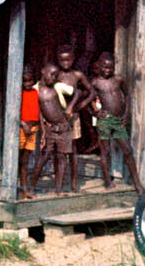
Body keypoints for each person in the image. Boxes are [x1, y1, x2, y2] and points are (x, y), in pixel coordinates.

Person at [90, 53, 143, 192]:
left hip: (118, 120)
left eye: (110, 68)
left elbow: (127, 94)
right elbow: (88, 98)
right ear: (99, 67)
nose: (108, 70)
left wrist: (126, 114)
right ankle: (107, 181)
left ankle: (137, 183)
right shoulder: (95, 82)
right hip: (105, 120)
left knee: (128, 150)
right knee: (105, 151)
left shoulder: (118, 80)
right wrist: (95, 112)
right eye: (105, 67)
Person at [30, 63, 77, 195]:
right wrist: (44, 131)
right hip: (50, 128)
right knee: (44, 157)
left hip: (64, 127)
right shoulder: (35, 90)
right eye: (51, 74)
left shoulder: (57, 87)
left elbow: (77, 92)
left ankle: (58, 189)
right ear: (42, 71)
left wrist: (70, 107)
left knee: (62, 158)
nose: (53, 78)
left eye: (56, 76)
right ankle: (31, 186)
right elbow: (39, 112)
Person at [55, 44, 96, 191]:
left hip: (73, 117)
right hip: (57, 117)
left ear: (73, 59)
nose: (65, 63)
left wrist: (81, 105)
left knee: (73, 150)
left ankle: (73, 182)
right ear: (58, 60)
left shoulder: (78, 75)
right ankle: (58, 183)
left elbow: (92, 92)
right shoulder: (56, 75)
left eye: (68, 60)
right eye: (62, 60)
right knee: (57, 150)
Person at [18, 66, 39, 199]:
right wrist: (23, 123)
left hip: (33, 129)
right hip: (22, 128)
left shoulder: (36, 93)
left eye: (30, 81)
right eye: (25, 81)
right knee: (17, 158)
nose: (28, 84)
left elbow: (39, 111)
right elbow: (13, 110)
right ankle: (17, 187)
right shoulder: (19, 93)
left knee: (25, 160)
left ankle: (24, 187)